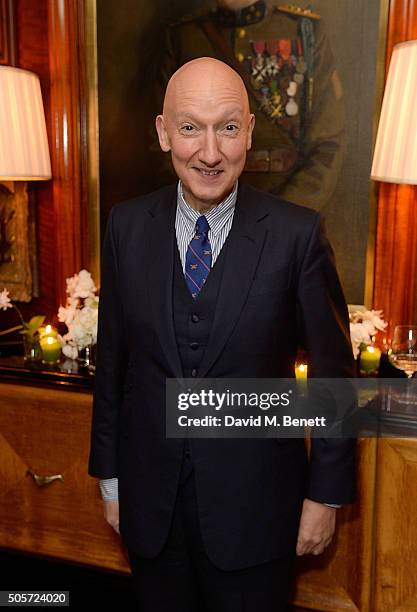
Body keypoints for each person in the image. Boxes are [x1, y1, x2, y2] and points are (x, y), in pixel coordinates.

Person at [88, 57, 356, 611]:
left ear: (250, 132)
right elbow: (113, 364)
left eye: (227, 128)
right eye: (190, 127)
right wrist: (111, 480)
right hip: (150, 510)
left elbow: (334, 375)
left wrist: (324, 497)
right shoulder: (125, 226)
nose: (209, 153)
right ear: (164, 134)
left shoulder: (297, 236)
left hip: (258, 518)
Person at [150, 0, 346, 211]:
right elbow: (161, 140)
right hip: (201, 215)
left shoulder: (302, 30)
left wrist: (286, 219)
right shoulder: (185, 37)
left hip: (284, 207)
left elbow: (328, 144)